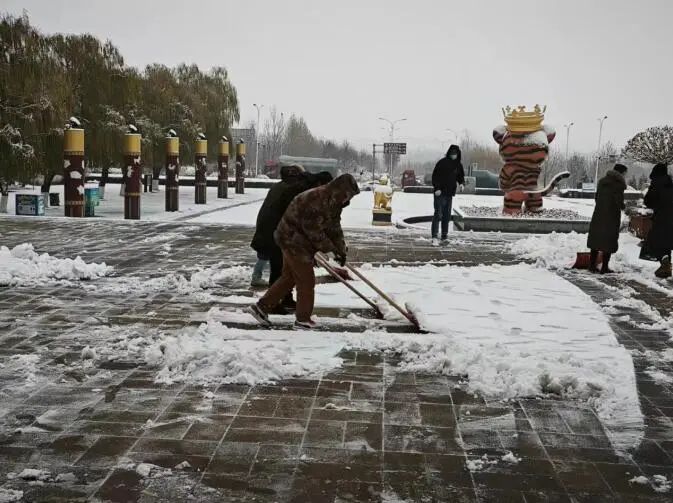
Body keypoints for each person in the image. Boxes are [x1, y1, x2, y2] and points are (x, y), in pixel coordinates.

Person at [250, 174, 360, 329]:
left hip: (297, 240)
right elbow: (312, 230)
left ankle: (261, 307)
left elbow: (334, 226)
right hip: (292, 239)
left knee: (289, 277)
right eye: (348, 195)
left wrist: (340, 249)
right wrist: (329, 249)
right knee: (306, 280)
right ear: (340, 190)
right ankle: (302, 319)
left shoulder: (333, 202)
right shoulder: (317, 198)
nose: (348, 199)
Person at [250, 165, 333, 309]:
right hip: (275, 232)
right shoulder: (298, 189)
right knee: (278, 269)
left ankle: (285, 299)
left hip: (272, 230)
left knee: (286, 270)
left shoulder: (285, 186)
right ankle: (273, 304)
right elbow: (300, 216)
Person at [587, 164, 628, 273]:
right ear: (621, 172)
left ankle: (592, 266)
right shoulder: (618, 184)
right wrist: (625, 207)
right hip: (611, 216)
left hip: (599, 214)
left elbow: (597, 197)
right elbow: (618, 201)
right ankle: (604, 267)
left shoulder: (602, 181)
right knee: (609, 241)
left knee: (596, 239)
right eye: (625, 173)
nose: (625, 175)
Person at [643, 163, 673, 278]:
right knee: (666, 242)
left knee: (654, 242)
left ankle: (665, 264)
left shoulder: (656, 184)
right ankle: (666, 267)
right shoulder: (670, 183)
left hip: (661, 217)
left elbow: (648, 201)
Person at [431, 144, 465, 245]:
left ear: (458, 154)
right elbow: (435, 176)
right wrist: (437, 188)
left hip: (449, 194)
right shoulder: (442, 163)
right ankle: (434, 237)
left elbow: (460, 176)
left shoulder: (458, 165)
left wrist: (462, 183)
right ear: (449, 153)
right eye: (452, 153)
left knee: (446, 216)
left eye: (455, 153)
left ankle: (444, 236)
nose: (454, 155)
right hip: (440, 193)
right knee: (438, 214)